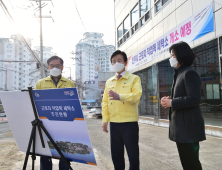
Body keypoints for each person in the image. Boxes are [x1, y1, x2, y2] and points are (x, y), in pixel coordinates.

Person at [161, 42, 206, 170]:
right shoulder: (179, 73)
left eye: (173, 55)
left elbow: (194, 98)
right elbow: (184, 96)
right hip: (182, 128)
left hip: (189, 129)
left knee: (191, 164)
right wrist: (169, 100)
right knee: (187, 163)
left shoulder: (189, 73)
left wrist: (172, 102)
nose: (171, 58)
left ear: (181, 55)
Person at [102, 50, 142, 170]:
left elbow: (136, 96)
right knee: (116, 155)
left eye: (119, 60)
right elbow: (105, 102)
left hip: (129, 123)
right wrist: (105, 119)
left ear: (125, 62)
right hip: (114, 124)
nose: (116, 63)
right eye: (113, 61)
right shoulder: (109, 82)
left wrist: (119, 97)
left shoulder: (134, 79)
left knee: (133, 155)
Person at [35, 56, 74, 170]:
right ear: (48, 67)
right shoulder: (40, 84)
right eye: (52, 65)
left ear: (62, 67)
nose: (54, 68)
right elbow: (36, 104)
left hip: (65, 125)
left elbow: (73, 105)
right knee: (46, 155)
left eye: (57, 66)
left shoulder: (70, 83)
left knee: (65, 156)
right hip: (46, 125)